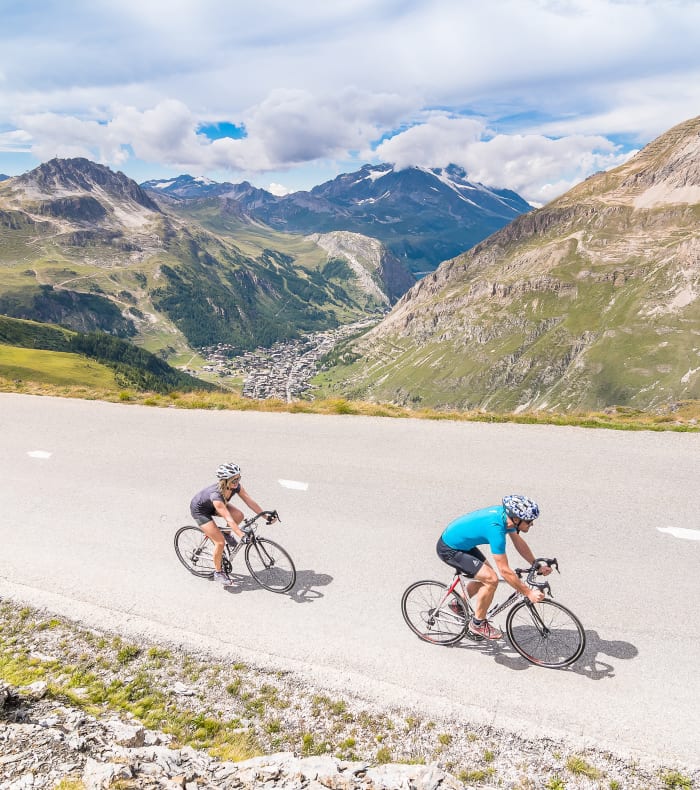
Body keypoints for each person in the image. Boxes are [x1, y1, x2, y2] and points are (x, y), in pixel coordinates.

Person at [436, 494, 552, 640]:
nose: (532, 524)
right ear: (516, 519)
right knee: (491, 579)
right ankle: (477, 624)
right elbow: (504, 570)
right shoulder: (496, 529)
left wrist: (536, 565)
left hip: (462, 544)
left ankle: (457, 604)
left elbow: (518, 543)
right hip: (449, 549)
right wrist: (528, 592)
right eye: (529, 521)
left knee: (488, 576)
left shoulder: (507, 519)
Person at [190, 462, 276, 586]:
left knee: (239, 515)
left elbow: (249, 501)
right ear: (225, 480)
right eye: (234, 479)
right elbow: (228, 518)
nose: (237, 481)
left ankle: (226, 533)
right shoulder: (216, 495)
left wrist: (265, 516)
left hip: (215, 505)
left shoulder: (235, 487)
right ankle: (218, 573)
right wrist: (241, 535)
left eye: (238, 478)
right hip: (201, 511)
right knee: (220, 542)